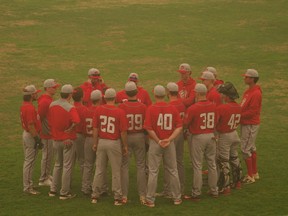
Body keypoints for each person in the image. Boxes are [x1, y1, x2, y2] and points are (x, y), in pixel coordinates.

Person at [143, 85, 183, 208]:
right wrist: (169, 139)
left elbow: (148, 128)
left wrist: (158, 140)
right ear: (165, 94)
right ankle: (177, 197)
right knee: (173, 170)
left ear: (154, 95)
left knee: (153, 171)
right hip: (169, 143)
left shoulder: (151, 108)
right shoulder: (172, 108)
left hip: (156, 143)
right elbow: (179, 127)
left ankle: (150, 199)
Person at [91, 88, 128, 205]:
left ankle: (95, 195)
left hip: (102, 141)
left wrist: (95, 143)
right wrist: (125, 145)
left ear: (105, 98)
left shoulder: (98, 109)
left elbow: (95, 128)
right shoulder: (120, 111)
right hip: (114, 143)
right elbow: (123, 132)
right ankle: (117, 197)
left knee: (99, 169)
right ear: (115, 98)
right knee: (116, 171)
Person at [184, 83, 218, 200]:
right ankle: (214, 190)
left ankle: (196, 193)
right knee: (212, 164)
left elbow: (186, 123)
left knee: (197, 165)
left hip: (198, 137)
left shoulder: (193, 108)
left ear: (197, 93)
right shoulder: (214, 106)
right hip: (211, 136)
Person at [48, 84, 80, 200]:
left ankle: (53, 189)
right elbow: (76, 121)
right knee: (67, 166)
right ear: (70, 95)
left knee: (57, 165)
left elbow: (50, 121)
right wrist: (69, 130)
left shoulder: (52, 104)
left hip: (55, 140)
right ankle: (64, 192)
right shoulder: (70, 107)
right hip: (68, 140)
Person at [119, 81, 147, 204]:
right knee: (141, 166)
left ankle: (124, 195)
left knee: (124, 166)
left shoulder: (121, 107)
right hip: (140, 136)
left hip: (126, 137)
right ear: (136, 92)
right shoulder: (143, 107)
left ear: (125, 93)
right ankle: (142, 195)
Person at [157, 82, 186, 198]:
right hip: (180, 134)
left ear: (168, 92)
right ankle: (181, 188)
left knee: (168, 163)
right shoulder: (182, 104)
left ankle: (169, 190)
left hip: (171, 136)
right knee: (179, 162)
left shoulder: (170, 106)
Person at [216, 82, 242, 194]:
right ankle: (238, 182)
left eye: (222, 94)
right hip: (234, 134)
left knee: (223, 161)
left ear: (227, 96)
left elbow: (216, 122)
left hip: (225, 136)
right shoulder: (239, 107)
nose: (221, 96)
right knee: (234, 158)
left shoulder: (222, 107)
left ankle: (225, 187)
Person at [82, 90, 108, 195]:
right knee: (101, 165)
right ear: (100, 99)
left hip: (88, 139)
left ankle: (85, 187)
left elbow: (83, 128)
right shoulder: (102, 111)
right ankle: (101, 188)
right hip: (99, 139)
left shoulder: (85, 110)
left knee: (88, 165)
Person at [240, 69, 262, 184]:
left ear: (252, 79)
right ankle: (254, 172)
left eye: (246, 77)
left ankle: (250, 176)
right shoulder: (249, 91)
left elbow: (253, 112)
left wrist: (239, 116)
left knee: (245, 149)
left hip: (250, 124)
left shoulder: (256, 93)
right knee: (252, 147)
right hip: (246, 123)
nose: (244, 78)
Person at [38, 79, 60, 187]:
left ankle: (47, 174)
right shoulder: (45, 101)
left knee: (49, 155)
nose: (55, 88)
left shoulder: (47, 99)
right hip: (46, 133)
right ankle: (43, 179)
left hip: (48, 131)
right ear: (47, 88)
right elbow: (40, 117)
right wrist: (43, 130)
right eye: (53, 87)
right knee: (46, 156)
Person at [20, 85, 42, 195]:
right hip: (31, 136)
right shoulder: (29, 108)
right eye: (35, 93)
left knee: (29, 161)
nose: (37, 94)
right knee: (29, 161)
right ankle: (27, 187)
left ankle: (29, 183)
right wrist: (37, 139)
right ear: (31, 95)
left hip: (27, 134)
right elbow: (31, 125)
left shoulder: (25, 106)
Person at [72, 87, 87, 179]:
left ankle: (67, 184)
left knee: (69, 162)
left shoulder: (69, 107)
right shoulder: (84, 109)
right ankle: (85, 184)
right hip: (80, 136)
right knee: (82, 161)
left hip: (69, 136)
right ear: (82, 97)